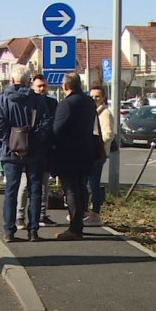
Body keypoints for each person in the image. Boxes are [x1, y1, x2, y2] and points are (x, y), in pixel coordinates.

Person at [0, 65, 52, 242]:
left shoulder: (3, 100)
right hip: (34, 152)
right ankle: (33, 230)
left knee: (11, 191)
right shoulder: (38, 100)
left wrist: (13, 144)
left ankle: (9, 231)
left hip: (10, 152)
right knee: (35, 190)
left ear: (12, 80)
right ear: (29, 81)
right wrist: (31, 144)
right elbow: (46, 124)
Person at [51, 73, 97, 241]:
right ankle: (79, 226)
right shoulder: (89, 102)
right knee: (81, 189)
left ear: (65, 86)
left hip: (68, 154)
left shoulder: (66, 104)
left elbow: (57, 130)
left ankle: (74, 228)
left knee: (71, 190)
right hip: (86, 151)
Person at [17, 75, 58, 229]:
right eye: (39, 86)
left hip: (46, 149)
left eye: (44, 86)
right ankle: (20, 216)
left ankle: (42, 214)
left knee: (44, 184)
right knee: (25, 184)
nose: (42, 89)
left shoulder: (52, 103)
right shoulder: (28, 103)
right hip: (28, 148)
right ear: (32, 86)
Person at [85, 85, 114, 227]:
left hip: (98, 153)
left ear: (103, 98)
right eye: (92, 96)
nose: (94, 99)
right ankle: (88, 212)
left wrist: (95, 143)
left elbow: (108, 134)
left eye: (97, 96)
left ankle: (95, 213)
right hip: (91, 153)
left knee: (94, 183)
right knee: (90, 183)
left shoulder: (105, 113)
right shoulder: (93, 112)